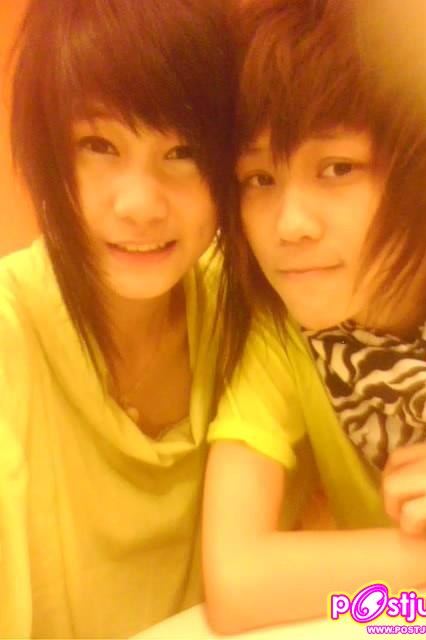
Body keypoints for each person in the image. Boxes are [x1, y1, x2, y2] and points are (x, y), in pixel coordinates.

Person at [202, 0, 426, 633]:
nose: (289, 224)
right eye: (259, 179)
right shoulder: (284, 338)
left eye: (337, 169)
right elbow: (236, 583)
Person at [1, 0, 237, 636]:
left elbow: (415, 610)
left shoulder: (245, 315)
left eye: (183, 151)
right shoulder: (11, 337)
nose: (139, 205)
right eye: (99, 146)